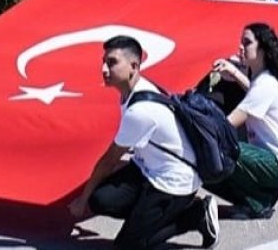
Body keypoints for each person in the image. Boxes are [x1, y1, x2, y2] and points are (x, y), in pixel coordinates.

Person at [68, 36, 219, 250]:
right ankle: (146, 219)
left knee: (128, 246)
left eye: (111, 62)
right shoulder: (133, 90)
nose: (104, 69)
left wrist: (81, 200)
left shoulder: (140, 111)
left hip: (173, 183)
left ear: (134, 66)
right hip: (147, 170)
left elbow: (110, 160)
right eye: (103, 62)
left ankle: (195, 215)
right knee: (101, 199)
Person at [207, 24, 278, 219]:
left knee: (222, 151)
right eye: (241, 42)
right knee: (208, 165)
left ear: (263, 49)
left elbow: (228, 124)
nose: (241, 47)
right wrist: (233, 72)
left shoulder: (265, 84)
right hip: (270, 158)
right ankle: (259, 198)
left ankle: (260, 198)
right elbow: (252, 91)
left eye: (247, 43)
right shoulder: (261, 79)